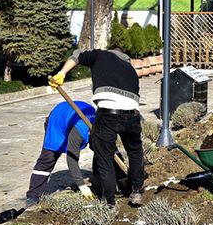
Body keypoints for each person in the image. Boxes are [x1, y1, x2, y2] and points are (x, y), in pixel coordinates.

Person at [49, 45, 144, 208]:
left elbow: (77, 55)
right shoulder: (130, 68)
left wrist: (62, 73)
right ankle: (137, 191)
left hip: (108, 113)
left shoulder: (101, 55)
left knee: (104, 156)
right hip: (132, 115)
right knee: (135, 152)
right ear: (124, 55)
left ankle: (110, 202)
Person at [26, 100, 96, 206]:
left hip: (76, 114)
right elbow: (71, 157)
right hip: (57, 119)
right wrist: (82, 185)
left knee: (101, 150)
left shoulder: (103, 127)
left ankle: (100, 178)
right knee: (49, 157)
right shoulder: (80, 131)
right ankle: (33, 196)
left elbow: (109, 151)